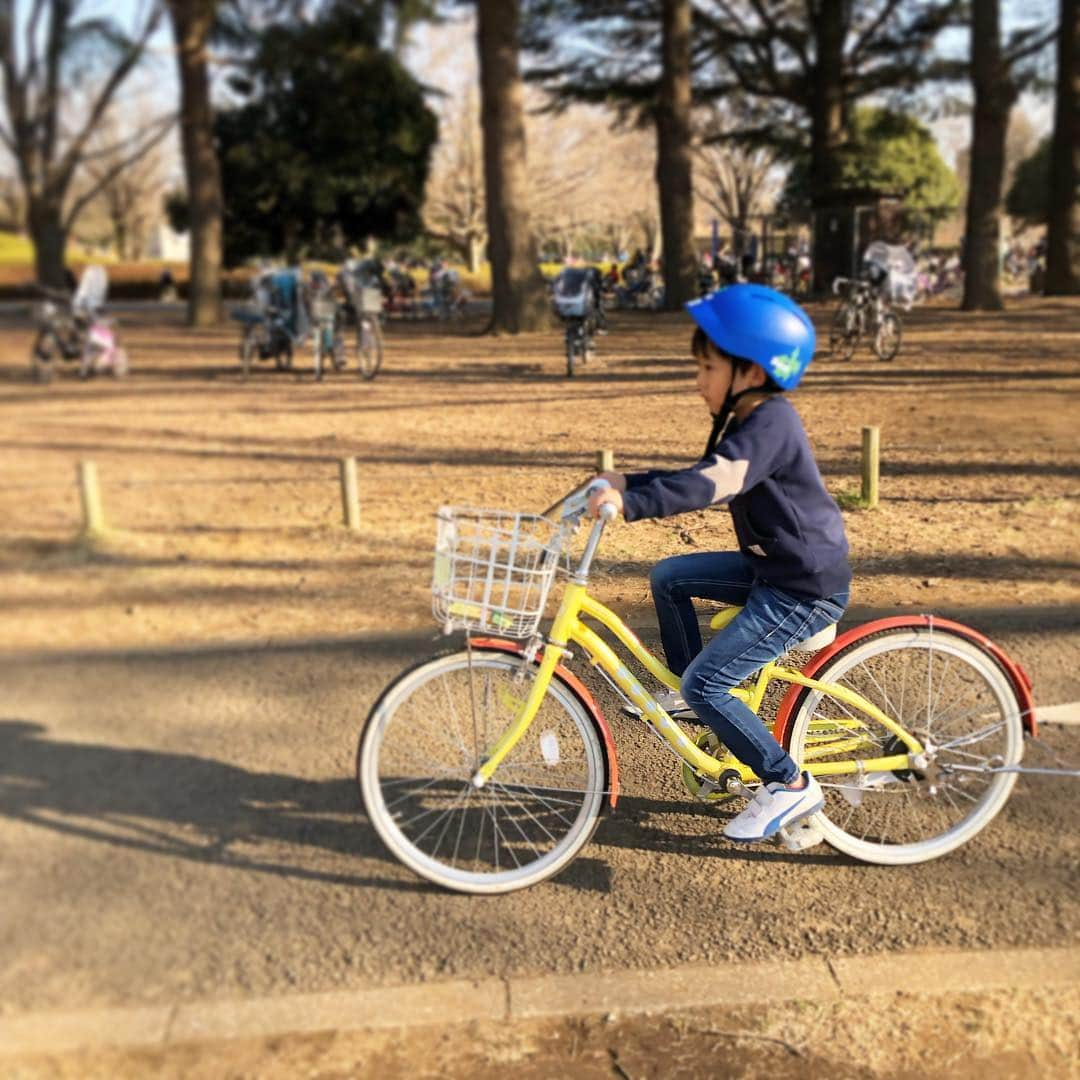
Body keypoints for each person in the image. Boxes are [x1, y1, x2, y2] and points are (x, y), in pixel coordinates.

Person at [587, 284, 851, 843]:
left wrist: (630, 503)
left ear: (750, 372)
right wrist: (628, 481)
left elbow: (714, 483)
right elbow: (702, 472)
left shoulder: (772, 423)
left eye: (707, 368)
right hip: (771, 570)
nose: (698, 380)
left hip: (802, 588)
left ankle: (787, 783)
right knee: (670, 578)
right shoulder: (749, 422)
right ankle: (691, 695)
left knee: (714, 682)